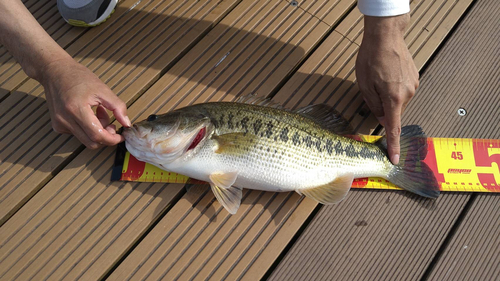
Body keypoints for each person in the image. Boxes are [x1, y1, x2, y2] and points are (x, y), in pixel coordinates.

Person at [0, 0, 418, 165]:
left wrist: (387, 26)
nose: (148, 124)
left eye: (160, 121)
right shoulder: (201, 137)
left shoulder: (205, 134)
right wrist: (50, 63)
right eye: (158, 120)